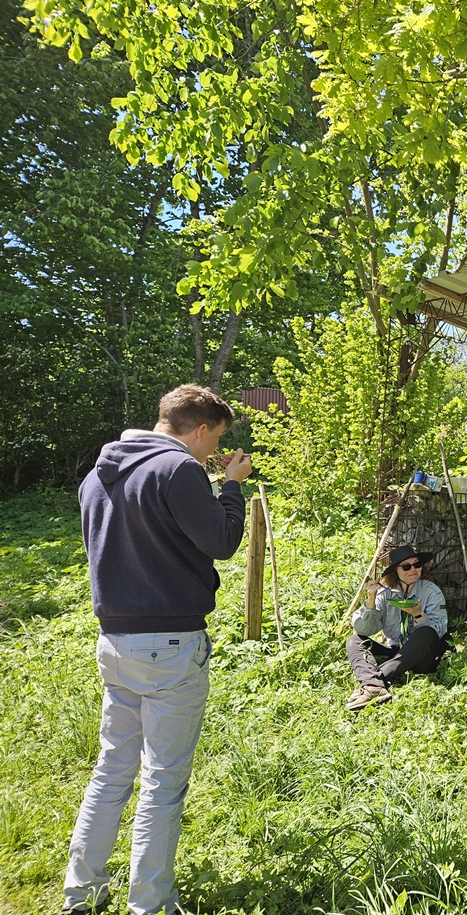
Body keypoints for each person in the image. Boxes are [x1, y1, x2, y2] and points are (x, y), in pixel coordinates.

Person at [64, 384, 253, 915]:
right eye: (216, 440)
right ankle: (151, 903)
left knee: (111, 770)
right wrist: (231, 487)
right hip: (169, 643)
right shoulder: (178, 469)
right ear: (200, 429)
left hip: (115, 640)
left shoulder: (99, 474)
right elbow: (221, 541)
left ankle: (82, 892)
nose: (215, 452)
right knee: (163, 782)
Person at [345, 545, 451, 711]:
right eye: (406, 567)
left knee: (426, 632)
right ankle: (375, 686)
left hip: (424, 656)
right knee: (355, 640)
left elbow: (439, 631)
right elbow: (364, 630)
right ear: (395, 571)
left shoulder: (431, 592)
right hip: (397, 650)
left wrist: (418, 615)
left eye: (417, 565)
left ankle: (372, 682)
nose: (413, 570)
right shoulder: (385, 593)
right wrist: (370, 602)